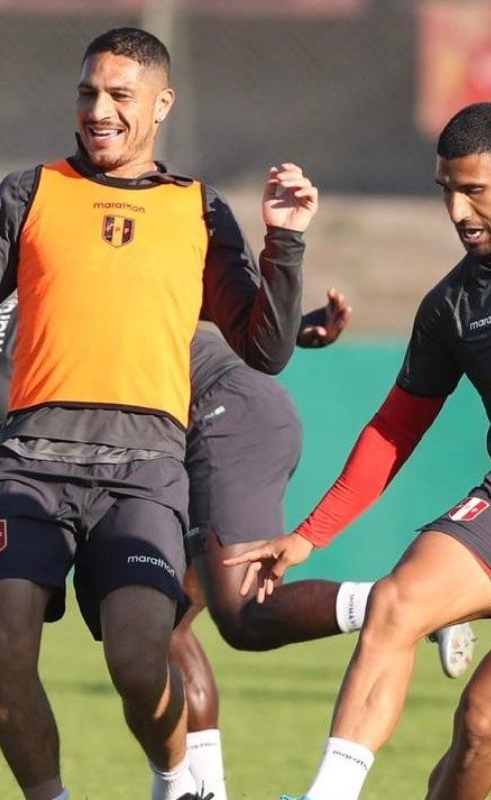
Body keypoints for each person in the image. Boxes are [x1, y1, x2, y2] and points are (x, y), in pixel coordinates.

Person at [0, 26, 318, 800]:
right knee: (4, 651)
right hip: (32, 461)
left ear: (161, 104)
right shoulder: (29, 191)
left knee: (136, 661)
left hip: (145, 467)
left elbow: (264, 349)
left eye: (120, 96)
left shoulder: (198, 208)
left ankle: (174, 778)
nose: (100, 110)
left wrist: (285, 245)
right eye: (89, 92)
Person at [0, 286, 472, 800]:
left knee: (242, 615)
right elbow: (155, 313)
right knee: (162, 622)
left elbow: (50, 460)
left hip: (221, 417)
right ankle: (196, 790)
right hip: (197, 427)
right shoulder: (36, 297)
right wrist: (285, 331)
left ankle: (403, 603)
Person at [226, 100, 491, 800]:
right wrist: (310, 536)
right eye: (448, 193)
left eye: (477, 191)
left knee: (484, 723)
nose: (460, 211)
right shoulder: (452, 305)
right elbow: (395, 428)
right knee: (396, 603)